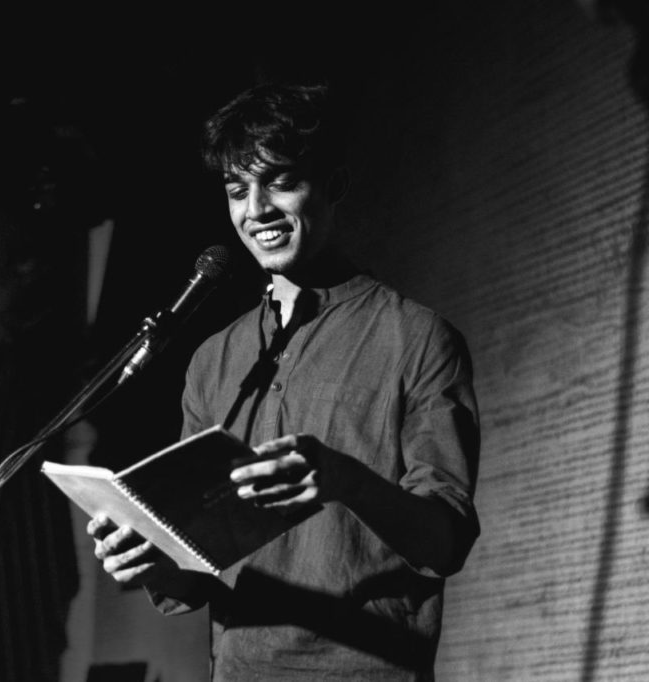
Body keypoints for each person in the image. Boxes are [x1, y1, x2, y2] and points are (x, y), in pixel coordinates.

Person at [87, 83, 480, 680]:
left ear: (334, 186)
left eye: (280, 181)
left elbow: (445, 541)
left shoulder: (419, 337)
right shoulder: (214, 359)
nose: (257, 210)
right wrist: (148, 561)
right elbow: (195, 569)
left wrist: (345, 479)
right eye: (237, 190)